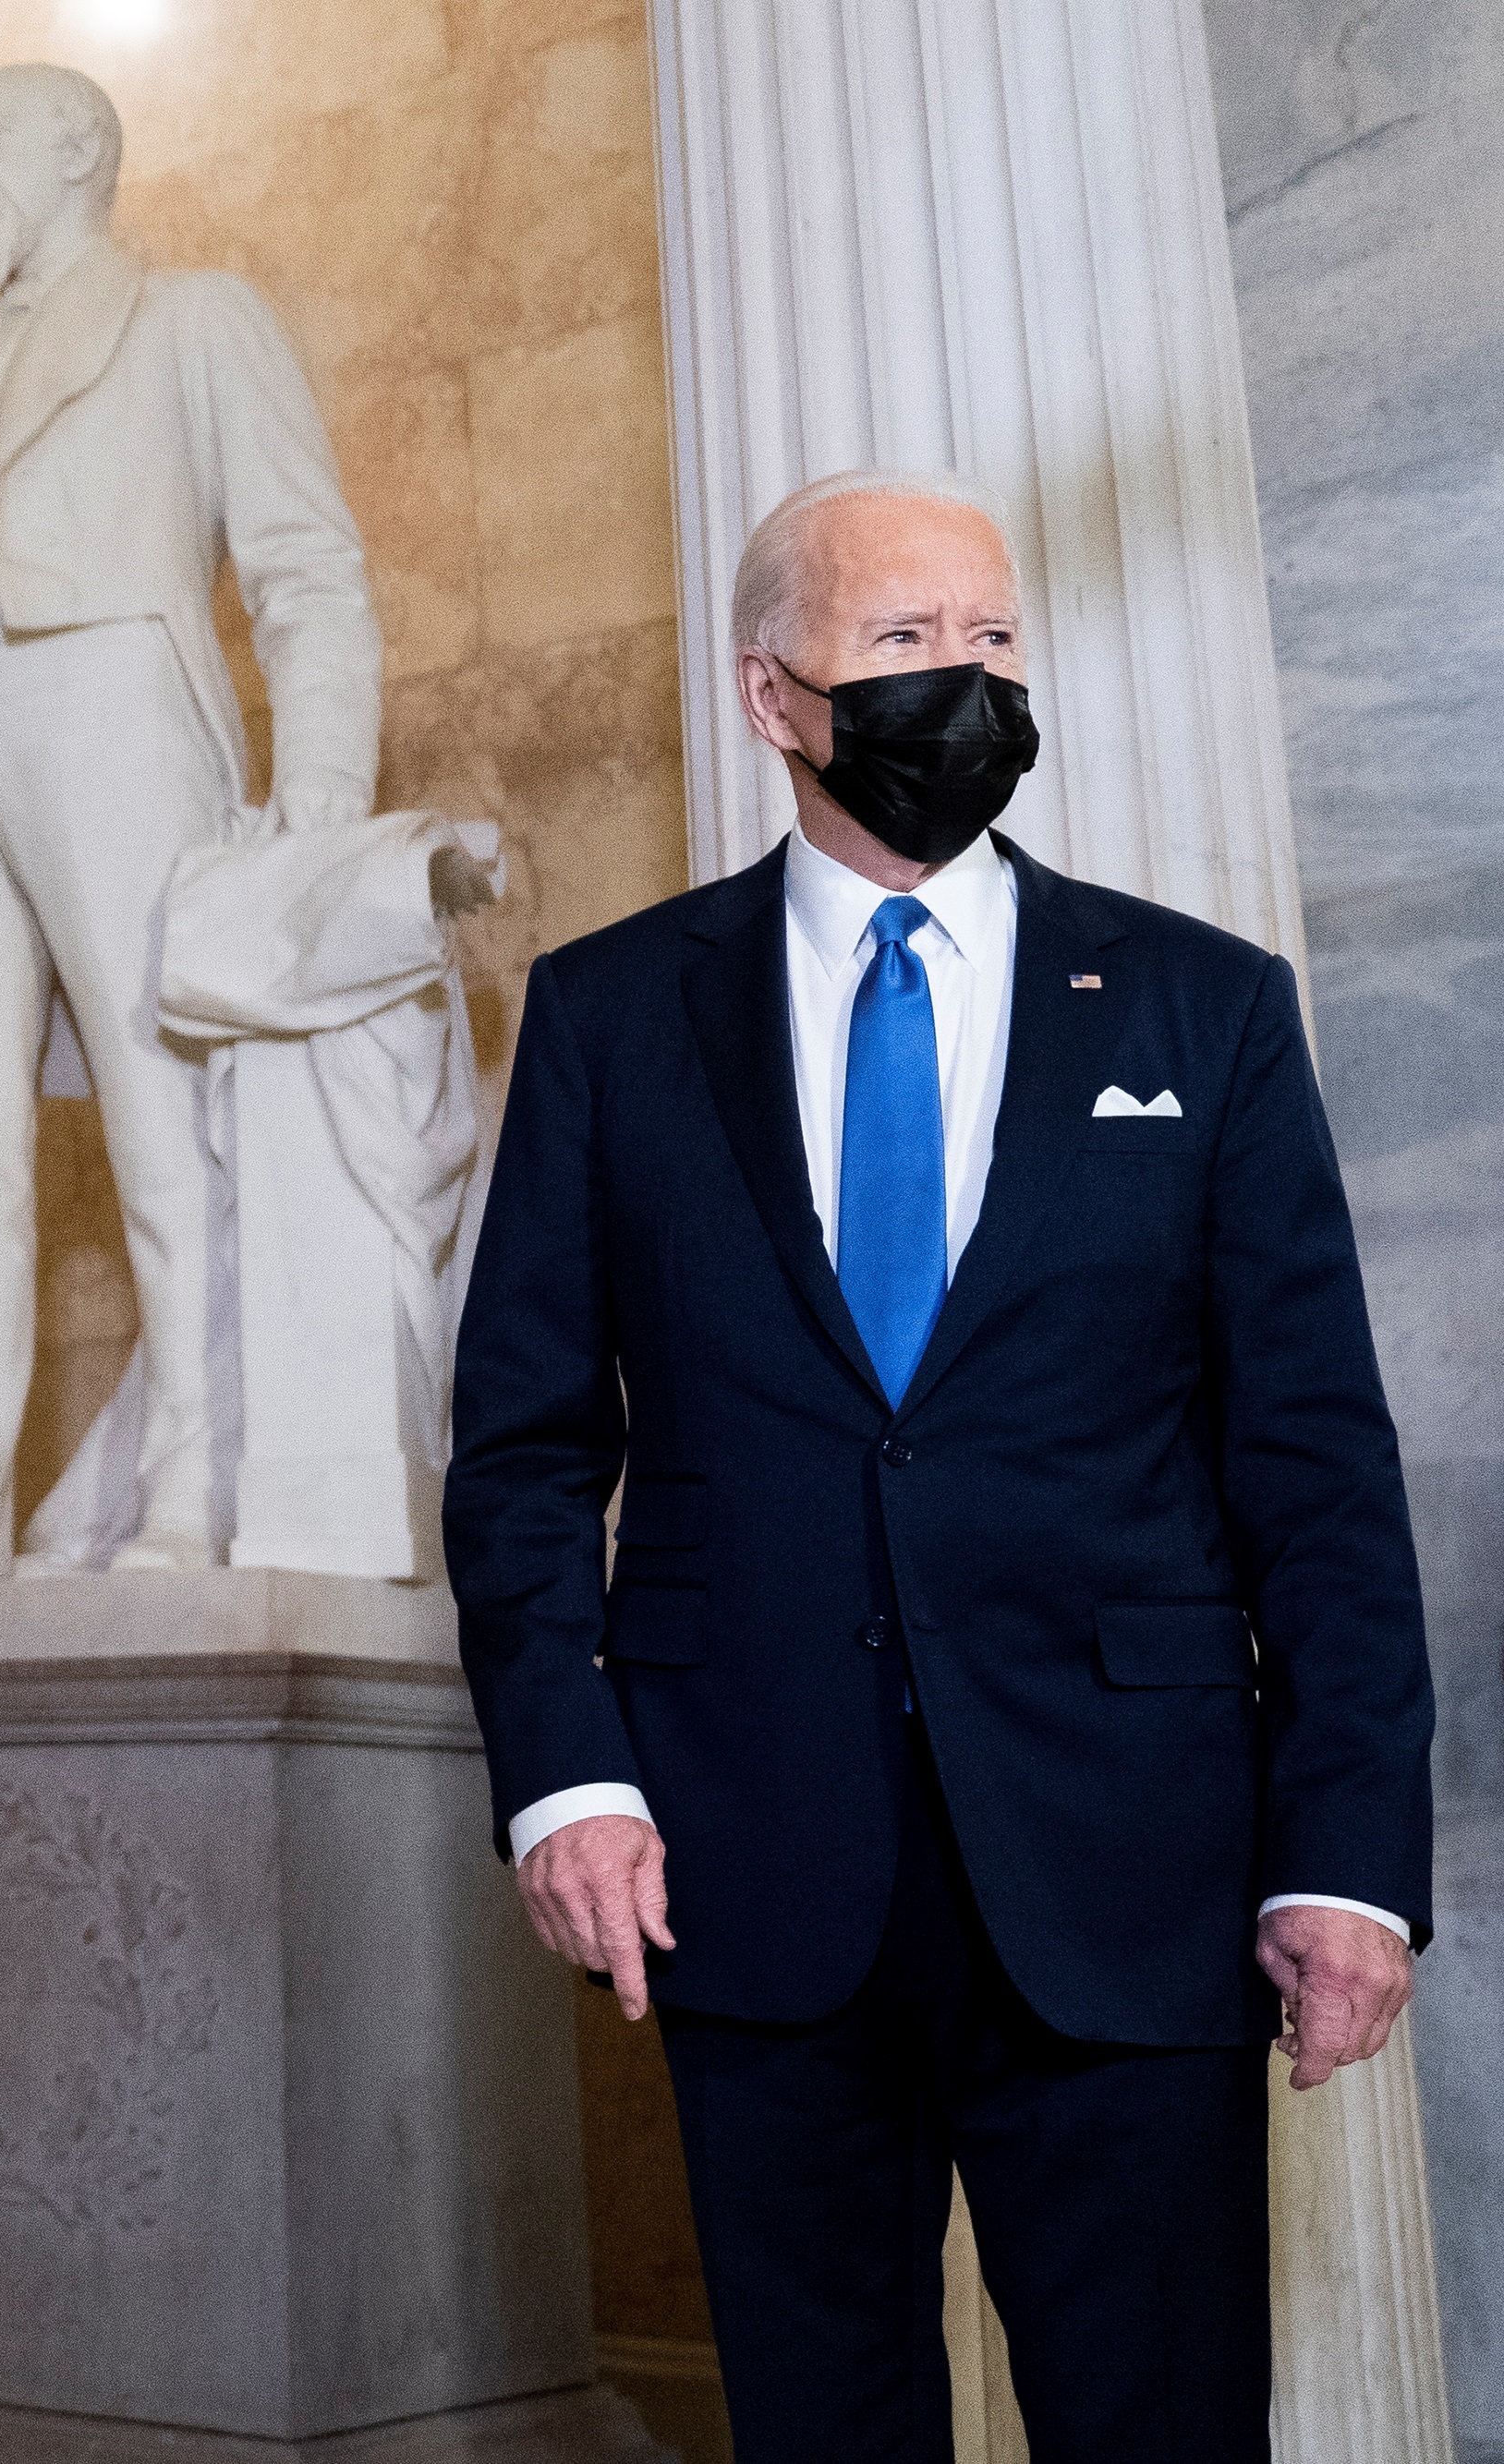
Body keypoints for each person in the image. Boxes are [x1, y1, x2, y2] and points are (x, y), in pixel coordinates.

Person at [445, 470, 1430, 2461]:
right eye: (902, 641)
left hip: (1127, 1861)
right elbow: (526, 1440)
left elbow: (1313, 1460)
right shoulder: (609, 1013)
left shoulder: (1198, 1006)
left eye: (987, 637)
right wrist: (566, 1769)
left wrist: (1344, 1857)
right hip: (743, 1860)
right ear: (768, 693)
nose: (962, 680)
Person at [0, 61, 382, 1578]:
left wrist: (319, 788)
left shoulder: (190, 319)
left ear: (74, 158)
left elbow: (307, 566)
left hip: (109, 702)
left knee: (164, 1107)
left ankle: (197, 1479)